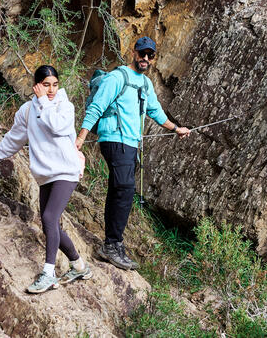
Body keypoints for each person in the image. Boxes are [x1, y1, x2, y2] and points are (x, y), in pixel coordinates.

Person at [76, 36, 190, 269]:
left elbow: (156, 111)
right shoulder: (117, 77)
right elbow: (97, 106)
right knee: (125, 189)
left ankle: (112, 244)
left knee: (118, 190)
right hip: (114, 139)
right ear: (134, 53)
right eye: (142, 53)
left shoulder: (145, 84)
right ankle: (112, 245)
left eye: (150, 55)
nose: (145, 58)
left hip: (129, 144)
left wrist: (176, 128)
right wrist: (81, 137)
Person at [0, 65, 91, 293]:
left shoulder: (64, 106)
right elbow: (14, 139)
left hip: (66, 170)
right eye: (46, 85)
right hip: (45, 174)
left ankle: (48, 274)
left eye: (55, 85)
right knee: (51, 225)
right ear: (36, 86)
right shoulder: (28, 110)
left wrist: (44, 102)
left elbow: (58, 127)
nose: (51, 90)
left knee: (49, 217)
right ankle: (79, 266)